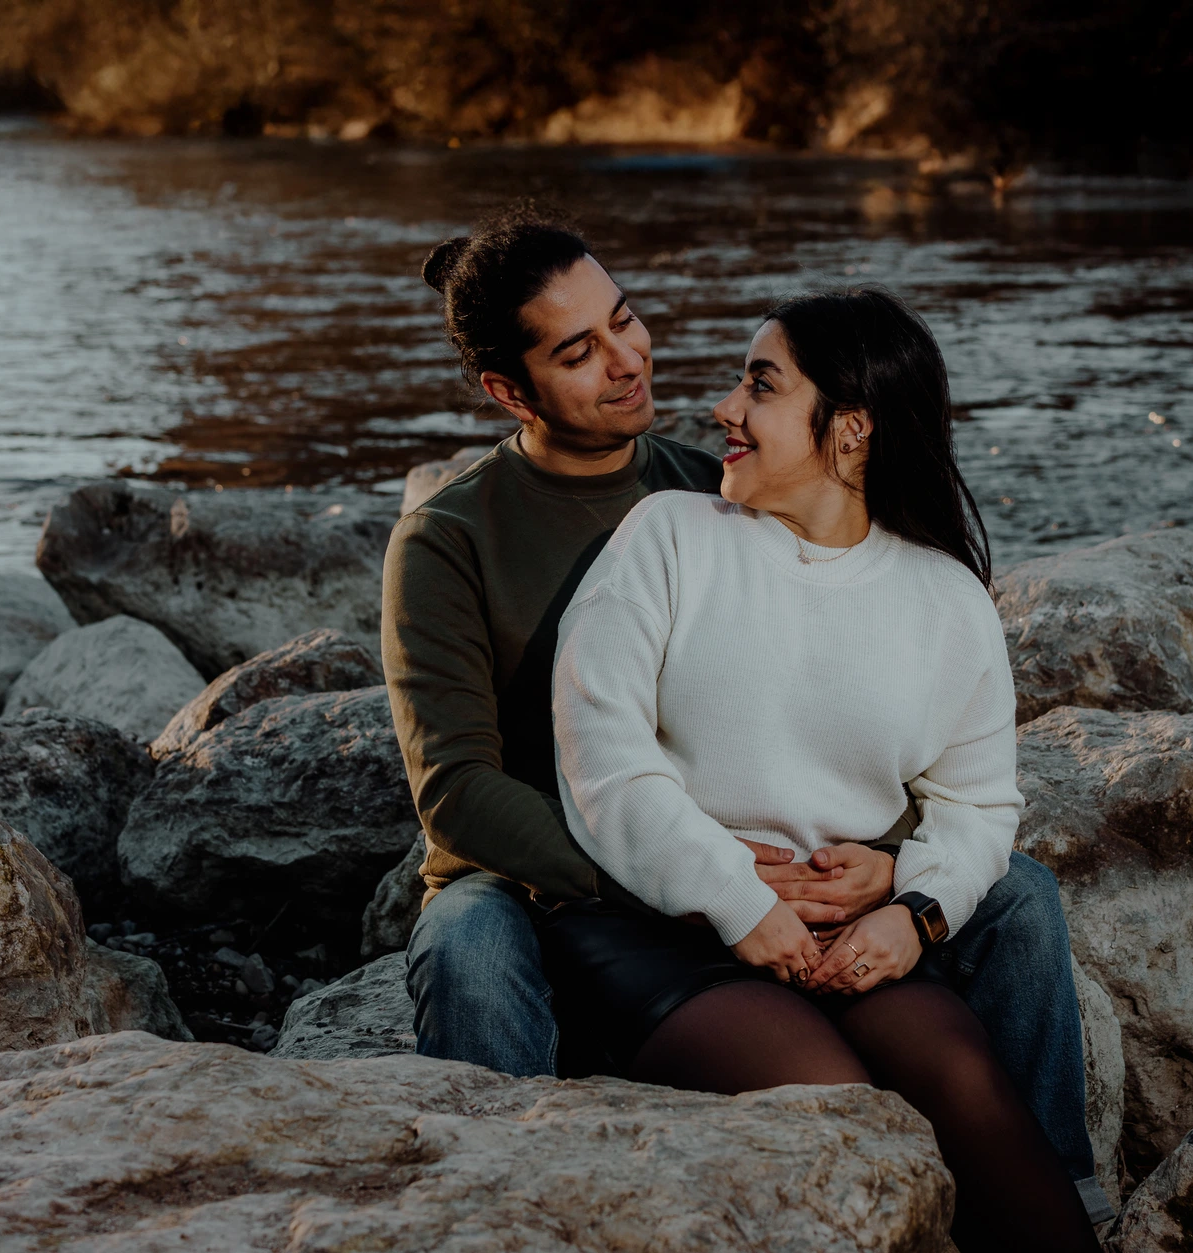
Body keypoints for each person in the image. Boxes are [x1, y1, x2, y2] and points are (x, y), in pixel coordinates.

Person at [379, 205, 1114, 1226]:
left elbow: (820, 684)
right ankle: (502, 1199)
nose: (628, 359)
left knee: (1018, 891)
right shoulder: (452, 536)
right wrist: (700, 880)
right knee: (468, 943)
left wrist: (894, 875)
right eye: (579, 350)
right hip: (547, 870)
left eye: (625, 319)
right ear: (510, 389)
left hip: (729, 862)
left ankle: (1062, 1181)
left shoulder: (711, 489)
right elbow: (457, 789)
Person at [542, 287, 1099, 1251]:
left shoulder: (944, 597)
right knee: (839, 1107)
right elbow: (604, 758)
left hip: (843, 939)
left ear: (850, 430)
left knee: (969, 1087)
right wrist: (733, 898)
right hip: (659, 931)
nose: (725, 408)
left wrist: (912, 914)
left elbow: (975, 806)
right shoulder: (669, 537)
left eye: (760, 385)